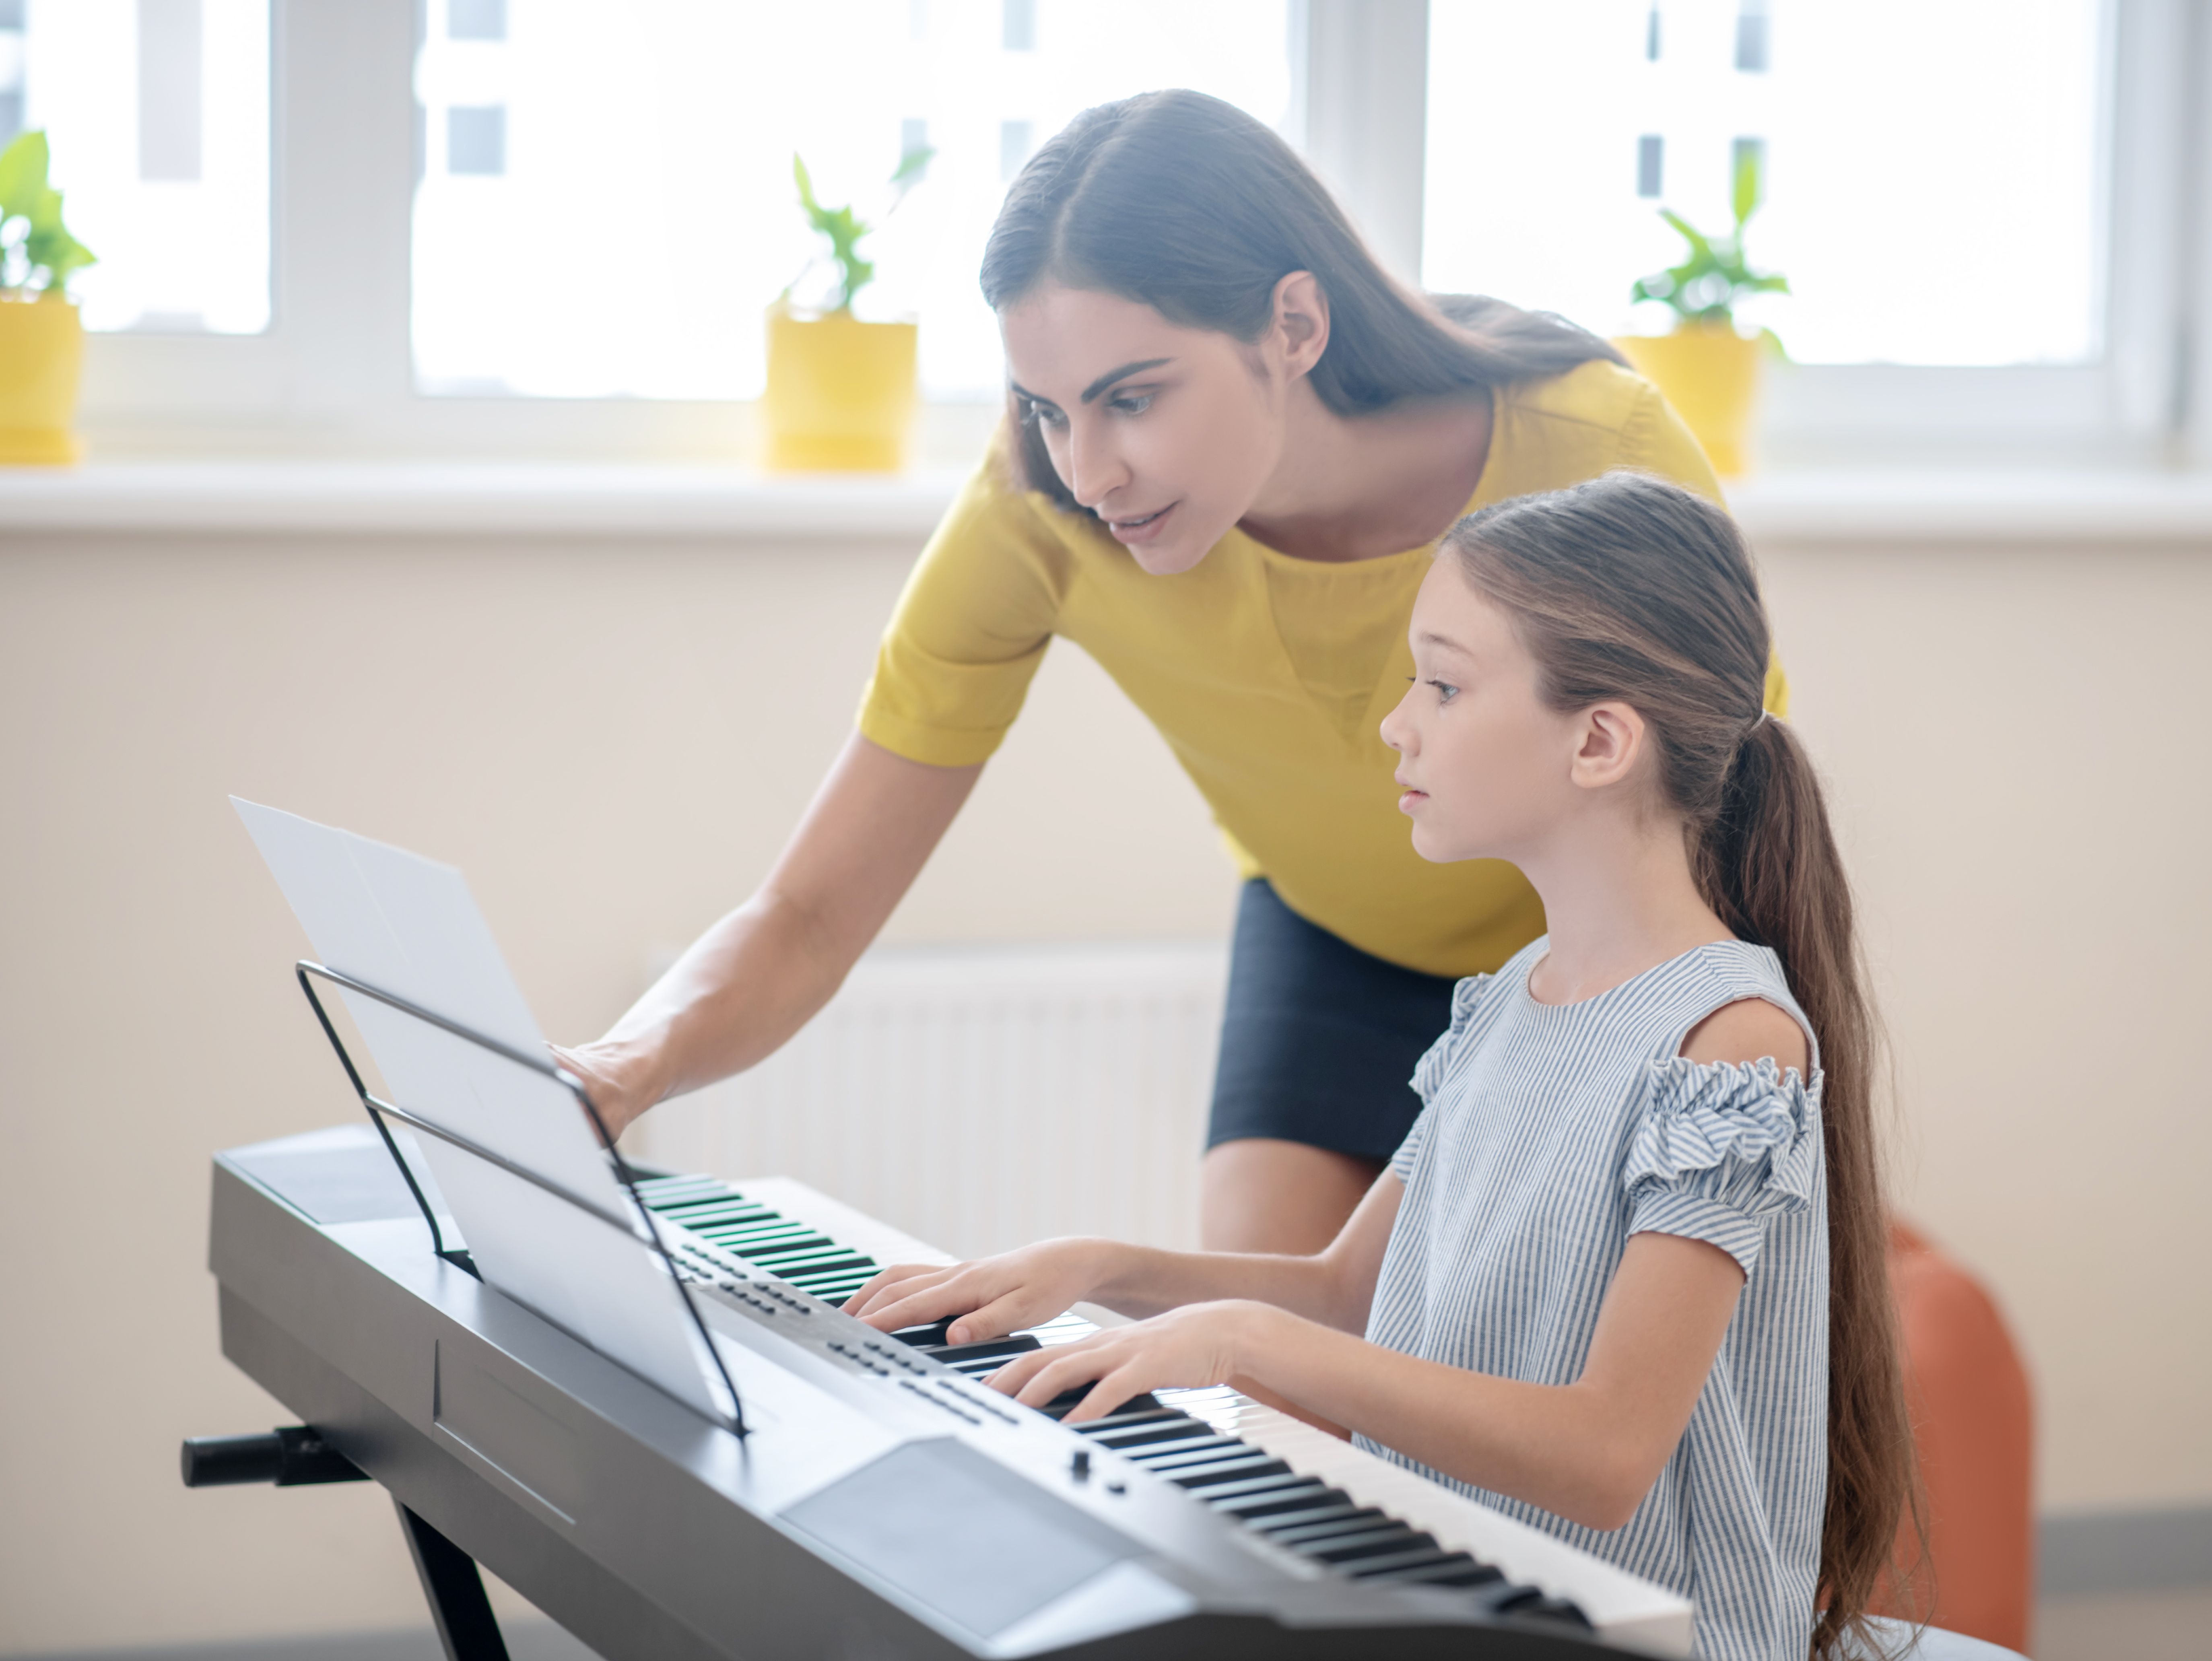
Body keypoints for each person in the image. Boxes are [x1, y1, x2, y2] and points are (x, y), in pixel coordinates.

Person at [557, 89, 1785, 1256]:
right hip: (1334, 940)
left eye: (1133, 398)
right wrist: (619, 1069)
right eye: (1047, 410)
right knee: (1269, 1373)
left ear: (1292, 327)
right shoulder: (1036, 521)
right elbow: (810, 915)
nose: (1090, 471)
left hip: (1608, 951)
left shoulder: (1597, 447)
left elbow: (1742, 815)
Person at [846, 472, 1912, 1661]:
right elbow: (1350, 1293)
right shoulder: (1514, 996)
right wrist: (1097, 1267)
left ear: (1600, 741)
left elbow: (1608, 1457)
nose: (1398, 725)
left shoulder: (1731, 1042)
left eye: (1443, 686)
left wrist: (1246, 1341)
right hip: (1463, 1593)